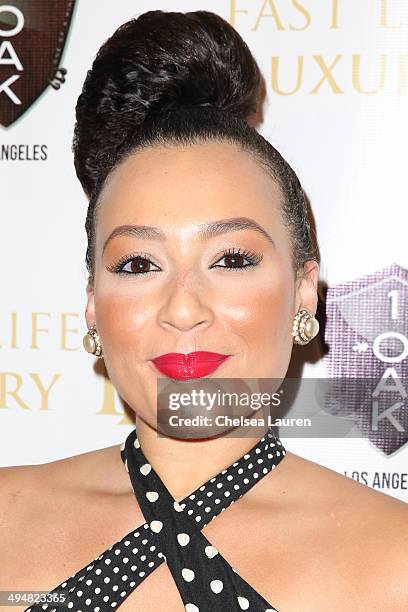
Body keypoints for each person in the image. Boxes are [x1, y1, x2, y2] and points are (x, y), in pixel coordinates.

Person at [1, 9, 407, 612]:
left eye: (232, 259)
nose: (183, 309)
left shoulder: (394, 559)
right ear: (92, 304)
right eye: (138, 265)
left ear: (304, 291)